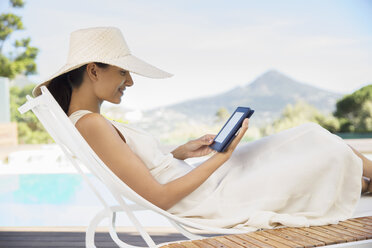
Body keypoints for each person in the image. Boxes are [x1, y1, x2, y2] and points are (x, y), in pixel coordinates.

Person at [32, 26, 372, 231]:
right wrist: (222, 157)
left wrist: (180, 152)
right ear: (93, 71)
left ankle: (362, 181)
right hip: (211, 198)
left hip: (204, 187)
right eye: (123, 72)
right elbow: (160, 197)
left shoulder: (89, 124)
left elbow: (137, 169)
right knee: (317, 142)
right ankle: (362, 181)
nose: (130, 81)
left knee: (308, 137)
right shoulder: (92, 125)